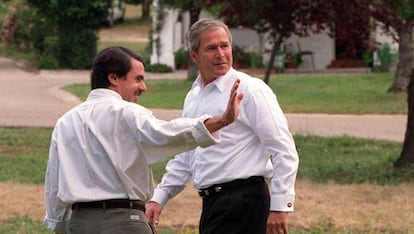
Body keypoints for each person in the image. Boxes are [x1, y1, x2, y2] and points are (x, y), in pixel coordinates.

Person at [43, 46, 243, 234]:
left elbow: (54, 183)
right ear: (113, 78)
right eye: (137, 79)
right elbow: (169, 133)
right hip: (125, 222)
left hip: (80, 224)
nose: (143, 87)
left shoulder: (65, 122)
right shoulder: (128, 113)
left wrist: (61, 225)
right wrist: (221, 121)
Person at [146, 18, 299, 234]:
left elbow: (284, 149)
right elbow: (185, 158)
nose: (221, 54)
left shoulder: (251, 89)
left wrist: (280, 207)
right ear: (193, 55)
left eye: (224, 45)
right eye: (211, 48)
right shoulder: (193, 97)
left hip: (246, 203)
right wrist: (158, 199)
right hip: (213, 205)